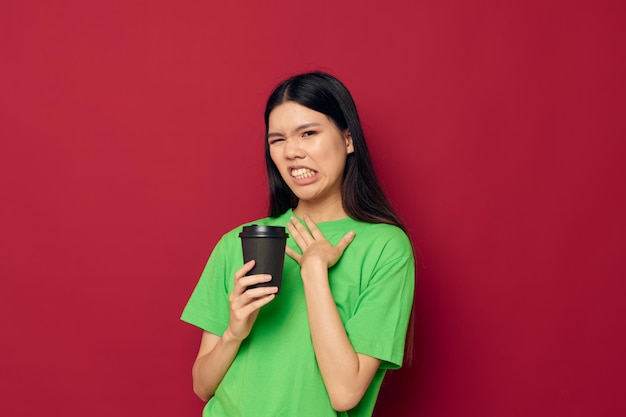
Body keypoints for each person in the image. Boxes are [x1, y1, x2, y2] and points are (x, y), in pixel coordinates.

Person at [181, 71, 415, 417]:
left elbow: (345, 393)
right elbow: (202, 386)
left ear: (348, 139)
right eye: (278, 140)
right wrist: (234, 331)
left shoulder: (385, 247)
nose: (292, 152)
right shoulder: (241, 241)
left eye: (308, 133)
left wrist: (315, 271)